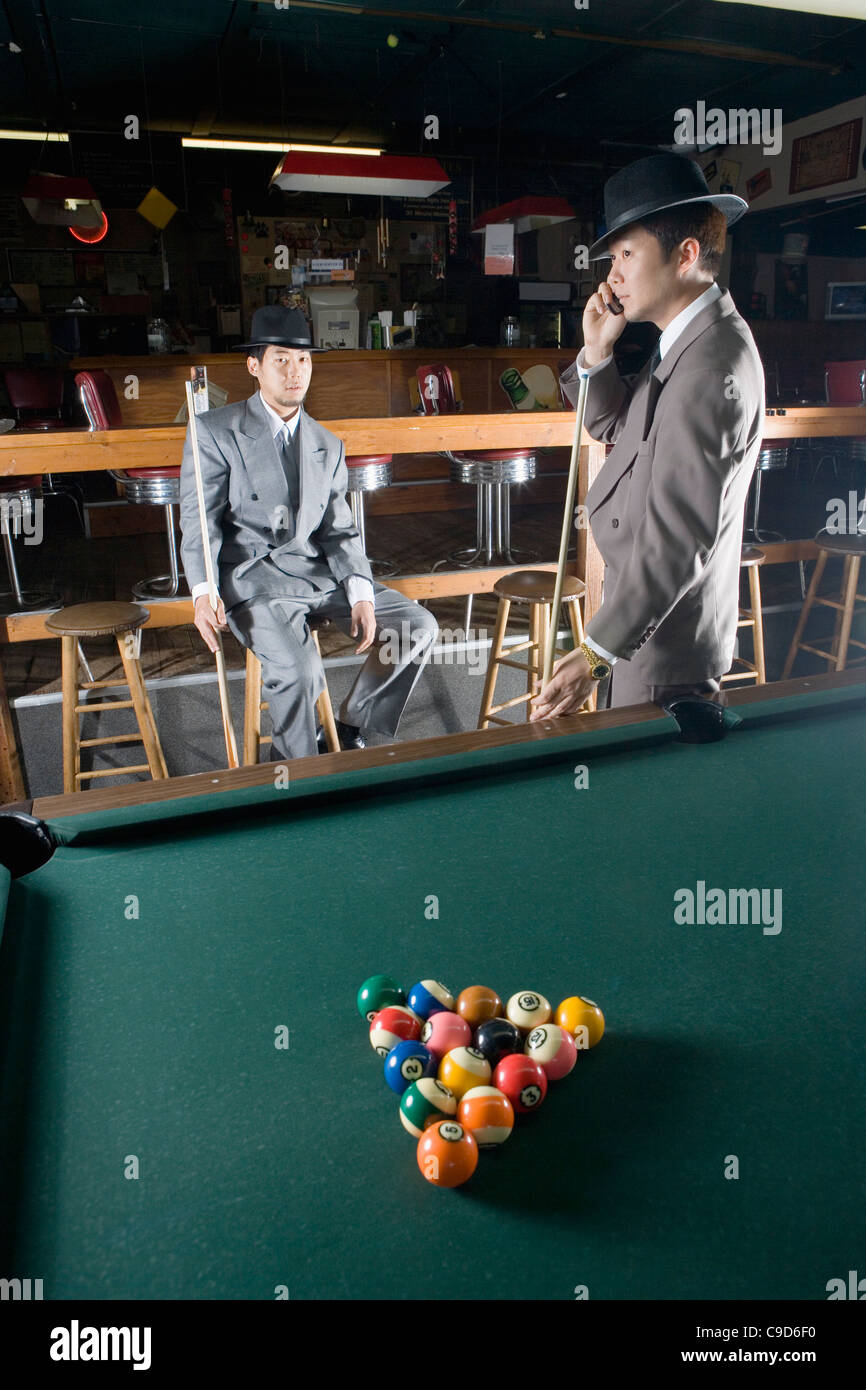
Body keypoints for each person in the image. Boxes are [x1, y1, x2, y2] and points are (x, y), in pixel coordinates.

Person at [531, 152, 765, 717]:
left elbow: (676, 543)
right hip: (648, 629)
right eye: (613, 257)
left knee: (649, 802)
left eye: (627, 254)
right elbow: (612, 424)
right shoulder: (686, 340)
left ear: (685, 254)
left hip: (664, 646)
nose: (611, 276)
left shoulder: (710, 366)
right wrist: (596, 351)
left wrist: (594, 652)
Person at [180, 305, 438, 759]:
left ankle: (350, 721)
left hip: (318, 575)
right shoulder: (214, 431)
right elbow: (199, 519)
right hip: (254, 579)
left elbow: (340, 530)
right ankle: (293, 771)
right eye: (281, 358)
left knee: (416, 625)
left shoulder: (327, 443)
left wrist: (359, 593)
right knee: (301, 672)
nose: (294, 371)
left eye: (303, 360)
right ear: (254, 366)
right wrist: (203, 592)